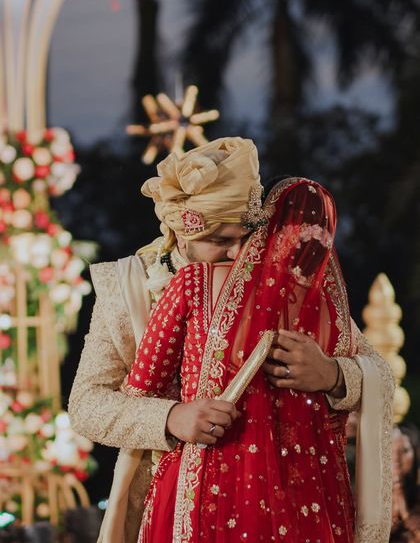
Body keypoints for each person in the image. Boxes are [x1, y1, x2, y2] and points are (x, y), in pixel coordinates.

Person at [68, 137, 394, 543]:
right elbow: (86, 404)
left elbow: (379, 372)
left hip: (278, 499)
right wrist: (171, 418)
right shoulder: (130, 286)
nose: (238, 252)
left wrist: (331, 374)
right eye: (220, 241)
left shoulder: (278, 280)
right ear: (180, 232)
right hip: (171, 503)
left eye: (246, 236)